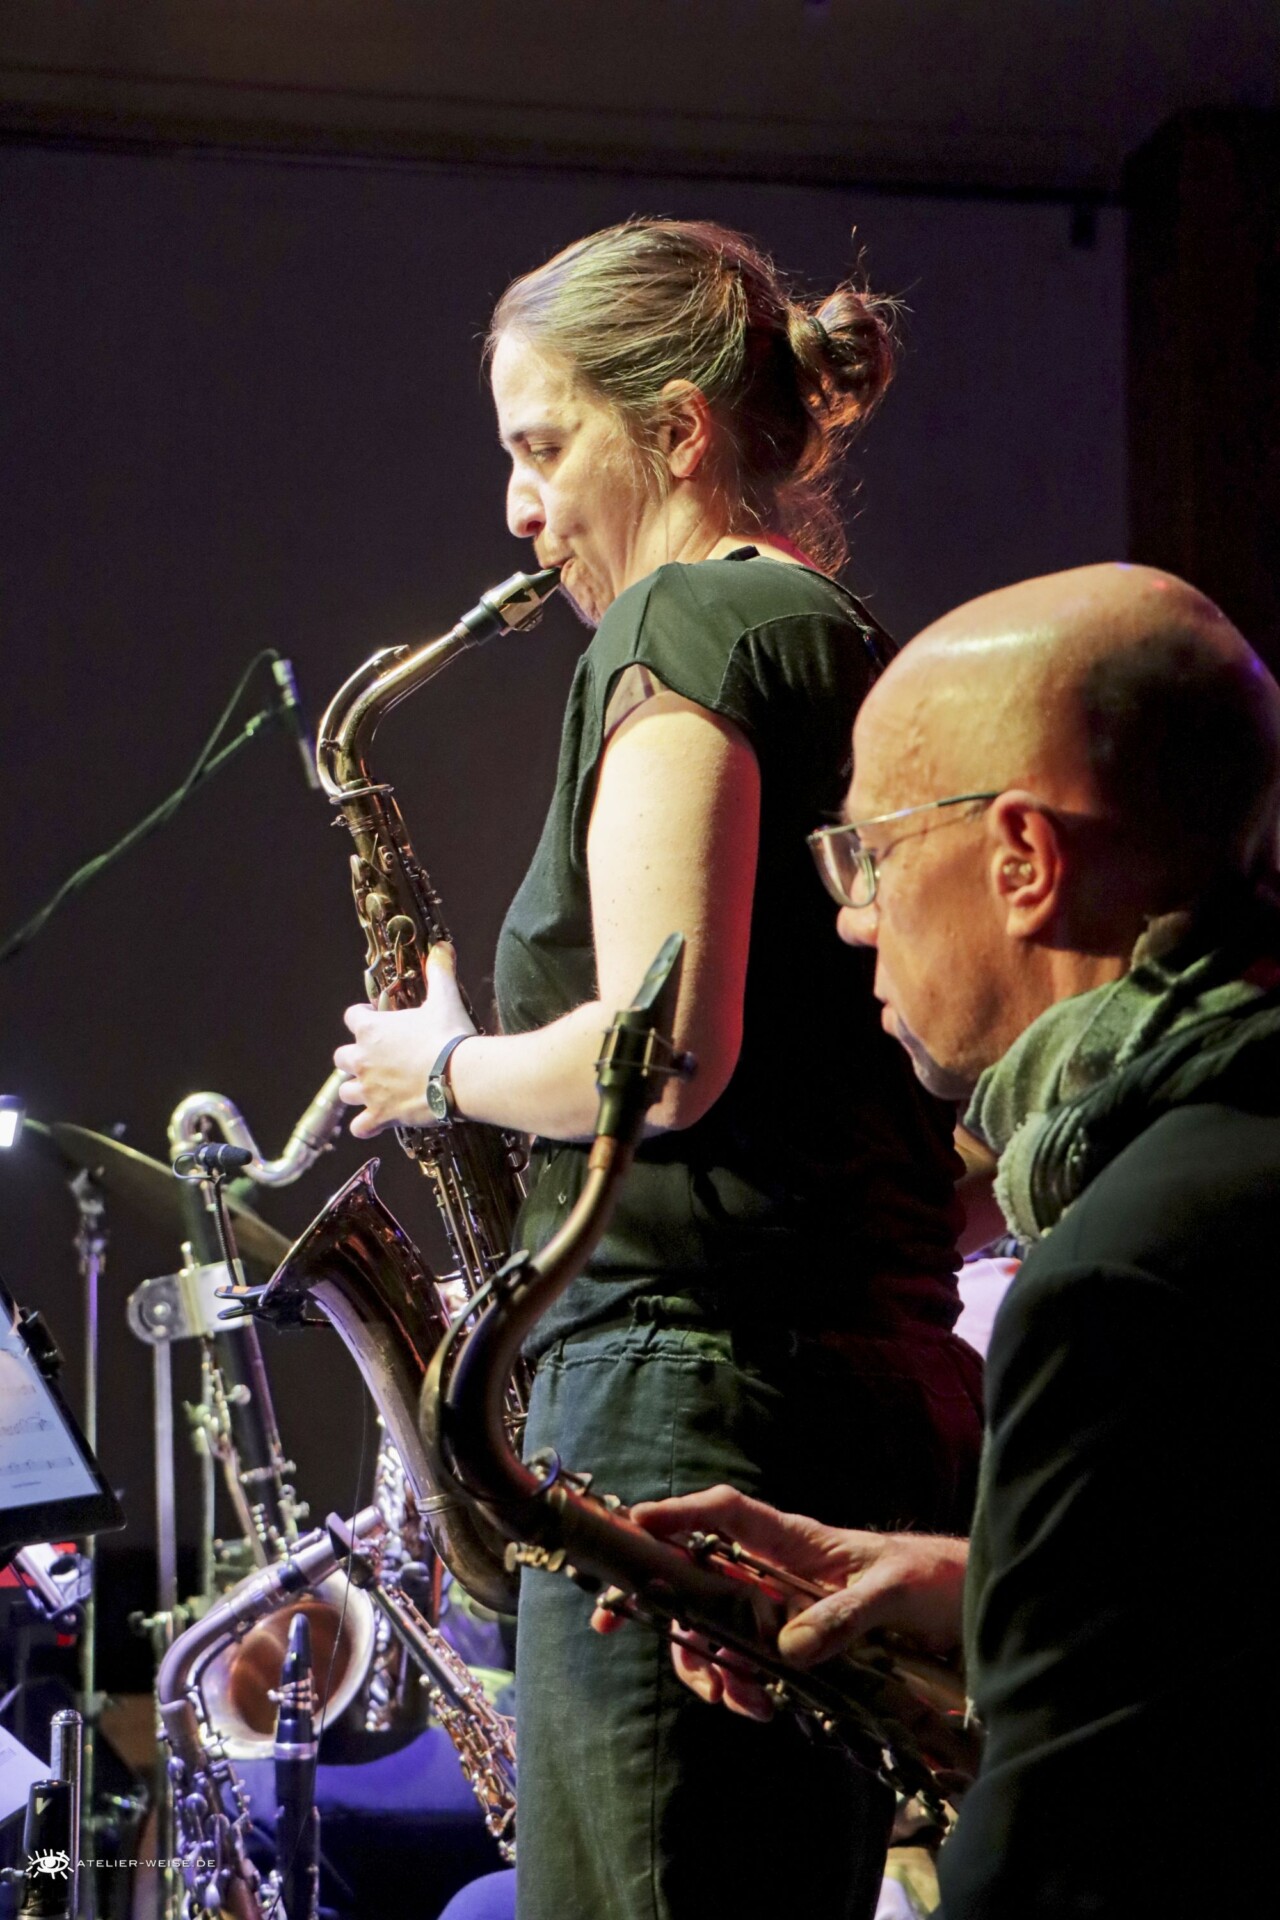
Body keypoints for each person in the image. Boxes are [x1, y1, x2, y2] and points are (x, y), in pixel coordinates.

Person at [333, 219, 984, 1920]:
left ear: (679, 430)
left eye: (545, 447)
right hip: (840, 1399)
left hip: (682, 1409)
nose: (517, 506)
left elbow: (663, 1054)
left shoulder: (682, 620)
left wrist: (443, 1067)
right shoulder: (830, 635)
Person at [619, 561, 1280, 1917]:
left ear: (1022, 859)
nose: (852, 914)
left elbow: (1058, 1867)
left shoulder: (1119, 1276)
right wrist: (985, 1592)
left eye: (871, 850)